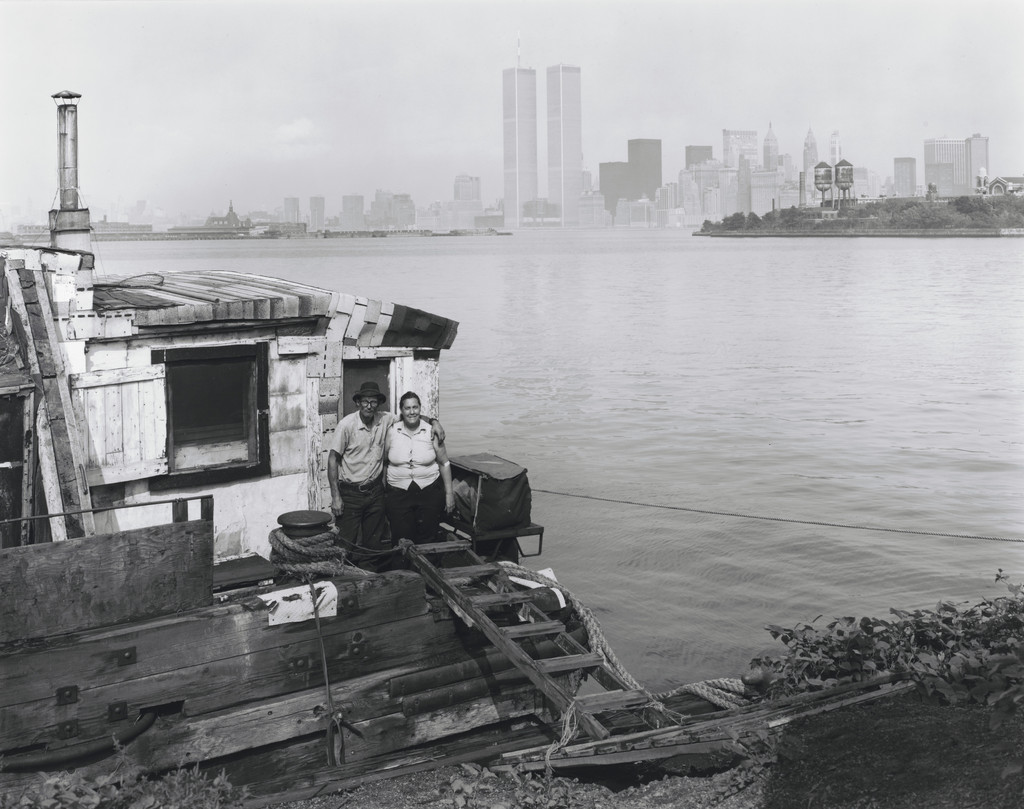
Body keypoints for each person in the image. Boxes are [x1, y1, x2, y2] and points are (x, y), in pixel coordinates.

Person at [328, 381, 443, 570]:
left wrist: (434, 421)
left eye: (373, 402)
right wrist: (335, 496)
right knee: (344, 542)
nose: (369, 406)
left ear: (378, 404)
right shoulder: (346, 425)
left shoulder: (385, 419)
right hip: (351, 493)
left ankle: (370, 580)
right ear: (358, 403)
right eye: (365, 401)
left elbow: (411, 415)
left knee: (373, 544)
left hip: (375, 492)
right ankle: (339, 580)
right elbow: (333, 460)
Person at [384, 391, 455, 546]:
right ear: (401, 411)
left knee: (428, 538)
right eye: (407, 408)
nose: (412, 412)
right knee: (402, 539)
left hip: (429, 491)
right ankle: (404, 570)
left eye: (415, 407)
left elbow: (444, 463)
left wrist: (449, 493)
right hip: (398, 493)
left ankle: (428, 568)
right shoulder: (392, 432)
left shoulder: (431, 431)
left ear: (420, 409)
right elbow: (384, 462)